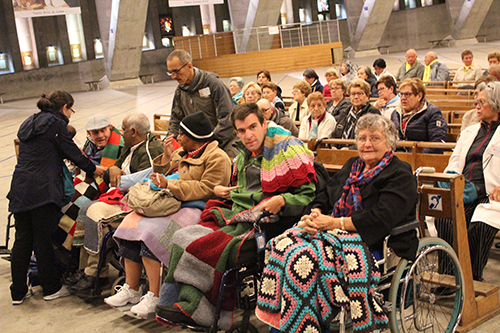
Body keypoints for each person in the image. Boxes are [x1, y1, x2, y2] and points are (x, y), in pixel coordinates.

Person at [155, 103, 317, 329]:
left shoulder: (287, 149)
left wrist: (283, 200)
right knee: (182, 237)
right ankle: (180, 303)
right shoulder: (244, 154)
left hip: (266, 224)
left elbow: (308, 195)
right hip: (237, 213)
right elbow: (246, 189)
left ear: (263, 123)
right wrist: (228, 191)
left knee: (205, 246)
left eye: (252, 127)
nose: (248, 135)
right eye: (241, 131)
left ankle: (202, 311)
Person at [256, 114, 418, 333]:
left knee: (304, 259)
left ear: (389, 143)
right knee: (280, 245)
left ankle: (306, 325)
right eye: (362, 138)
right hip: (333, 232)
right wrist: (315, 212)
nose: (367, 144)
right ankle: (283, 319)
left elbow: (380, 218)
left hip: (372, 241)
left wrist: (333, 223)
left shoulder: (400, 173)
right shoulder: (354, 166)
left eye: (375, 138)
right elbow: (327, 192)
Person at [104, 112, 231, 318]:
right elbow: (159, 173)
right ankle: (132, 288)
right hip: (168, 202)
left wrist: (170, 184)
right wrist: (166, 157)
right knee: (130, 224)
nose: (178, 138)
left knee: (153, 233)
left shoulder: (217, 157)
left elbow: (208, 188)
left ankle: (155, 294)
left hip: (196, 207)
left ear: (194, 137)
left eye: (182, 134)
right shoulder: (183, 152)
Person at [8, 91, 106, 304]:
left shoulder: (29, 122)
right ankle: (51, 287)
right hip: (42, 190)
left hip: (20, 187)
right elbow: (74, 154)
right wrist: (95, 168)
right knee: (43, 239)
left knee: (22, 239)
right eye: (71, 110)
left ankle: (18, 291)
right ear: (65, 108)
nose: (70, 114)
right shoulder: (55, 124)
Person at [68, 113, 163, 294]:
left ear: (134, 132)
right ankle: (82, 268)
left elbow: (144, 186)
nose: (121, 132)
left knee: (94, 214)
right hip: (118, 194)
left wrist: (116, 175)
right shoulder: (130, 146)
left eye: (124, 129)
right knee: (82, 209)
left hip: (133, 201)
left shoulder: (150, 151)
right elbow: (109, 174)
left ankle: (97, 273)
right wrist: (112, 168)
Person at [436, 81, 500, 282]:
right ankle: (448, 278)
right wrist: (448, 181)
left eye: (482, 102)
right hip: (465, 191)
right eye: (476, 102)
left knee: (479, 226)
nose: (477, 107)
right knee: (446, 218)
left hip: (490, 196)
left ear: (496, 104)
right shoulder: (469, 133)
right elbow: (453, 164)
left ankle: (471, 280)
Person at [166, 49, 237, 158]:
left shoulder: (214, 85)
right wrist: (170, 141)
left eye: (176, 71)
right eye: (170, 72)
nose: (173, 76)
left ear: (189, 66)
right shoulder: (180, 91)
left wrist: (210, 143)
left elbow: (227, 118)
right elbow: (176, 119)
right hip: (197, 148)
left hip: (223, 144)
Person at [391, 78, 447, 153]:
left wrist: (412, 156)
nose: (403, 98)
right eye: (401, 94)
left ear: (419, 96)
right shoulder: (396, 113)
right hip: (398, 158)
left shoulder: (432, 113)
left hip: (422, 158)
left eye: (407, 94)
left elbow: (436, 145)